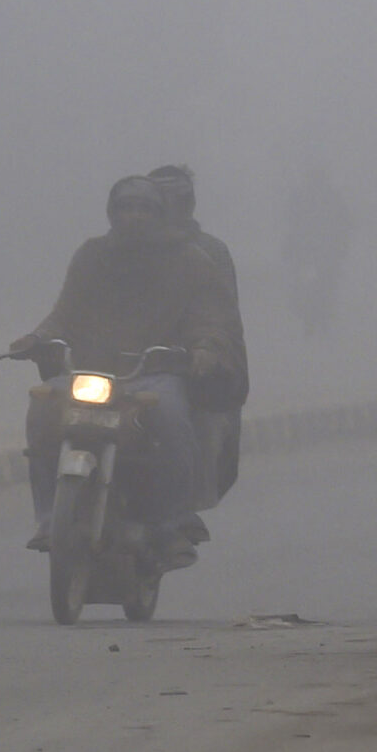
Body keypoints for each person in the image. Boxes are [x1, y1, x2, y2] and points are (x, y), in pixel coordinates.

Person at [12, 176, 234, 569]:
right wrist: (38, 337)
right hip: (90, 371)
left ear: (158, 214)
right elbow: (64, 312)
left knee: (170, 417)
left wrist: (205, 349)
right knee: (43, 410)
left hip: (155, 372)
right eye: (126, 208)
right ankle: (48, 518)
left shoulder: (188, 260)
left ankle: (169, 524)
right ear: (112, 213)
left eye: (144, 209)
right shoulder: (90, 256)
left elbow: (209, 318)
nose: (133, 216)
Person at [145, 164, 248, 511]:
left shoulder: (208, 253)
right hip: (128, 362)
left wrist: (204, 347)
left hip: (187, 361)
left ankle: (185, 510)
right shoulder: (119, 250)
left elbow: (219, 314)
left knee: (194, 416)